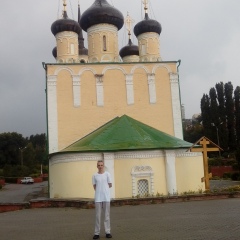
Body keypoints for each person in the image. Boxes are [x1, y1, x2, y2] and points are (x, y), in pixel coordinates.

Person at [92, 160, 112, 239]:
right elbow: (94, 186)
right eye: (99, 165)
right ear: (97, 166)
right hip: (98, 198)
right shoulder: (94, 175)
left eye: (101, 165)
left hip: (106, 198)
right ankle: (96, 233)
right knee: (98, 216)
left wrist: (105, 190)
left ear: (103, 166)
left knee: (106, 215)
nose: (100, 167)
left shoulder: (107, 174)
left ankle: (108, 232)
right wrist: (99, 191)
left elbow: (110, 185)